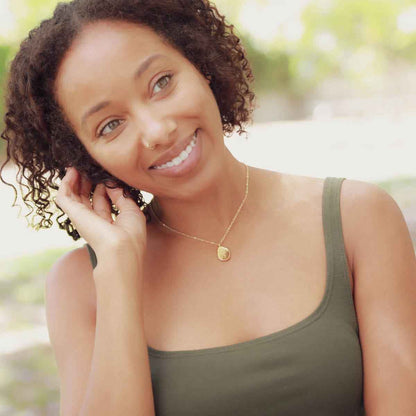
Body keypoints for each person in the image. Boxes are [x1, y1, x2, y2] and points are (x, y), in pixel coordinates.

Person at [1, 0, 415, 415]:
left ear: (201, 63)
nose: (158, 131)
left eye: (162, 82)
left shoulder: (357, 219)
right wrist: (118, 275)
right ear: (85, 157)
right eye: (110, 125)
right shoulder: (81, 285)